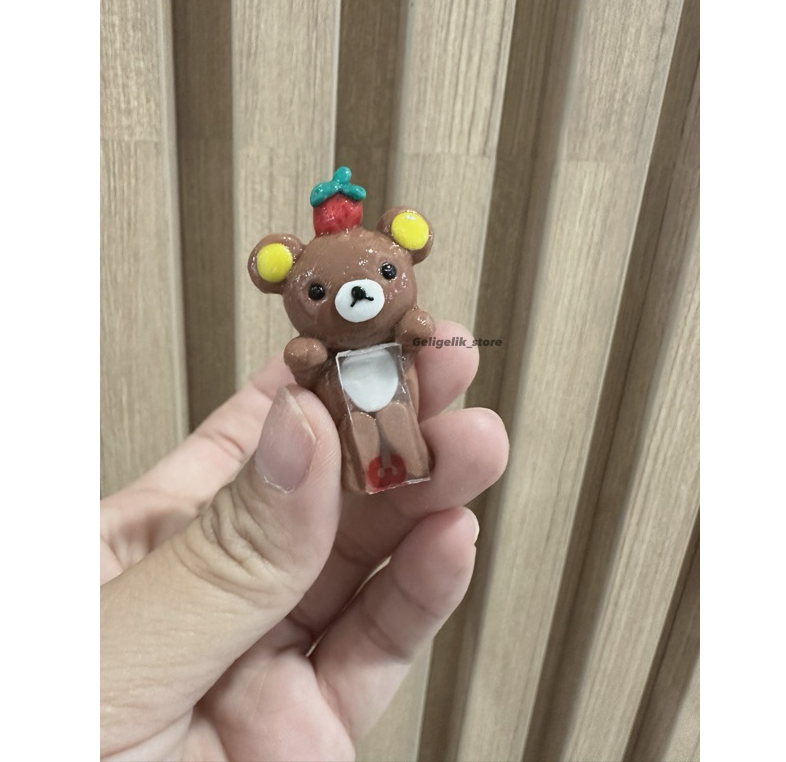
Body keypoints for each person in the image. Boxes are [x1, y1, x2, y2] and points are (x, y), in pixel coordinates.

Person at [101, 321, 508, 761]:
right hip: (349, 413)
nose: (353, 295)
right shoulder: (325, 354)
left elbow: (415, 334)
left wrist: (413, 330)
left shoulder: (395, 342)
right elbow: (306, 363)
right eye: (317, 291)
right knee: (358, 441)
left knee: (399, 427)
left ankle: (406, 459)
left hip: (391, 397)